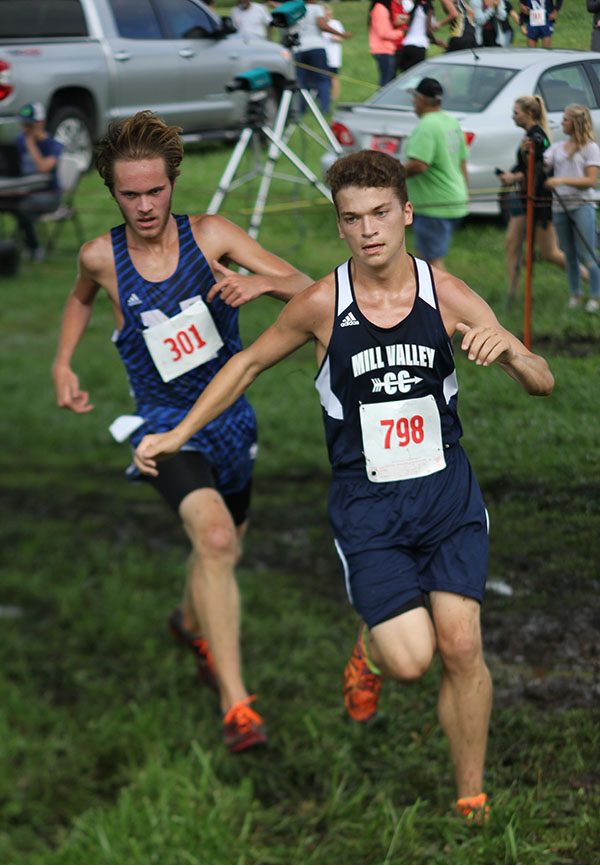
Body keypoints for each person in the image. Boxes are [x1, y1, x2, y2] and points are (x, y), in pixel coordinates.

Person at [133, 149, 554, 822]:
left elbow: (542, 377)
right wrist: (177, 435)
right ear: (340, 226)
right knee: (412, 660)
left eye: (381, 213)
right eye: (353, 218)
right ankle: (372, 650)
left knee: (463, 643)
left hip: (447, 493)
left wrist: (509, 352)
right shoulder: (321, 305)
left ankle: (470, 796)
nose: (369, 230)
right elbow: (245, 366)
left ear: (406, 213)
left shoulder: (444, 293)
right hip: (369, 505)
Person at [51, 110, 312, 754]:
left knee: (223, 545)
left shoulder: (213, 236)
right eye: (129, 193)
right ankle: (237, 705)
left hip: (231, 420)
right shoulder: (100, 257)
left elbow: (307, 288)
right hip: (165, 428)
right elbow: (81, 296)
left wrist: (260, 284)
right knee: (217, 539)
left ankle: (188, 621)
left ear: (174, 181)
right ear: (111, 192)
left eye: (155, 190)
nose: (144, 205)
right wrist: (63, 362)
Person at [496, 95, 570, 297]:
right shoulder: (531, 134)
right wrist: (515, 175)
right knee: (512, 244)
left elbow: (537, 168)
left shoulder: (537, 137)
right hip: (524, 199)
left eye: (516, 112)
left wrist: (514, 176)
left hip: (538, 202)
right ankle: (512, 293)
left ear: (529, 113)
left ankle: (590, 278)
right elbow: (528, 167)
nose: (513, 117)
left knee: (550, 253)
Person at [404, 77, 469, 270]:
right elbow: (462, 160)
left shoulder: (427, 126)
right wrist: (466, 193)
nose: (413, 102)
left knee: (431, 265)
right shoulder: (451, 122)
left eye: (414, 97)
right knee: (423, 259)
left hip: (434, 205)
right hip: (455, 199)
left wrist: (390, 174)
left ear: (422, 99)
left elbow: (418, 165)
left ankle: (442, 300)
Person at [544, 104, 600, 313]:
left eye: (566, 119)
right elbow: (544, 161)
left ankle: (595, 296)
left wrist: (561, 180)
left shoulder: (590, 148)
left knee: (588, 253)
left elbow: (590, 181)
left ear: (575, 123)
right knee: (569, 254)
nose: (562, 123)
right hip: (559, 207)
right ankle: (575, 294)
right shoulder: (558, 147)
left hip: (581, 206)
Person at [10, 101, 63, 262]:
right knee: (9, 204)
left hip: (49, 195)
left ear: (40, 123)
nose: (25, 129)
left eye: (29, 125)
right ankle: (12, 246)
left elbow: (44, 168)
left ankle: (34, 248)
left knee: (22, 208)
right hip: (23, 191)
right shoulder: (18, 141)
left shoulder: (53, 145)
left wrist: (31, 143)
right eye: (24, 124)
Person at [293, 0, 351, 115]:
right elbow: (322, 25)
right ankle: (325, 108)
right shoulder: (316, 8)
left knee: (302, 81)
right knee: (323, 79)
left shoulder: (295, 9)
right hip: (316, 47)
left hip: (299, 49)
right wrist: (340, 34)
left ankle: (301, 110)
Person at [396, 0, 443, 72]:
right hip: (419, 47)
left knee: (407, 76)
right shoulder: (428, 8)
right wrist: (435, 40)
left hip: (406, 45)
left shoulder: (416, 7)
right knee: (416, 76)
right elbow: (428, 31)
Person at [368, 0, 406, 88]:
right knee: (386, 84)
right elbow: (383, 33)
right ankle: (381, 101)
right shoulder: (380, 9)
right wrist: (402, 33)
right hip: (383, 50)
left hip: (386, 50)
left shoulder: (381, 8)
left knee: (388, 81)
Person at [322, 5, 347, 104]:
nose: (327, 16)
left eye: (329, 14)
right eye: (325, 14)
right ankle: (323, 96)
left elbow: (342, 37)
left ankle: (334, 97)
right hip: (322, 56)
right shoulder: (320, 24)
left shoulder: (335, 23)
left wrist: (335, 38)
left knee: (333, 77)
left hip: (333, 56)